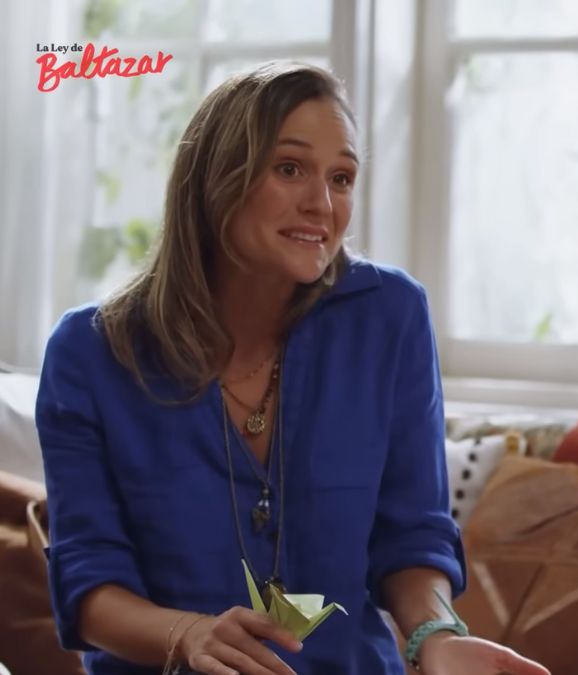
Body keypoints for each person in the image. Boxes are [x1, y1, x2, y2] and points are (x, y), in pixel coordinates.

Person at [35, 63, 549, 675]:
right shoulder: (91, 353)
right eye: (289, 169)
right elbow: (88, 586)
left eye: (341, 178)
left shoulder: (389, 316)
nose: (321, 204)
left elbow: (411, 534)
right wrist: (190, 636)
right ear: (216, 178)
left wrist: (435, 636)